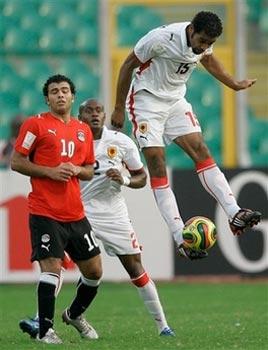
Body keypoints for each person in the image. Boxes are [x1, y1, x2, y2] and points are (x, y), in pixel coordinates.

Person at [19, 98, 175, 338]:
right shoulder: (69, 138)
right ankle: (41, 320)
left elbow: (141, 177)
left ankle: (163, 326)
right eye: (88, 111)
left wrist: (124, 179)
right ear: (80, 115)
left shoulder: (121, 142)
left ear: (104, 115)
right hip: (78, 209)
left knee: (131, 267)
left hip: (113, 212)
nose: (94, 114)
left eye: (98, 110)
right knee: (55, 264)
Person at [111, 11, 261, 258]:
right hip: (146, 102)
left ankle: (234, 213)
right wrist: (118, 107)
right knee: (157, 164)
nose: (204, 47)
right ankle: (180, 235)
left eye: (210, 43)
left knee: (201, 150)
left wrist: (233, 83)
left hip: (175, 101)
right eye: (202, 41)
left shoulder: (202, 45)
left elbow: (209, 60)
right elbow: (128, 65)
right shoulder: (160, 39)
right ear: (191, 30)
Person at [11, 75, 102, 344]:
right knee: (51, 269)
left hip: (75, 213)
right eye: (54, 92)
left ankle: (74, 314)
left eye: (64, 91)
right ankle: (45, 331)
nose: (60, 95)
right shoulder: (35, 124)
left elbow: (88, 170)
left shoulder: (83, 130)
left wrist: (76, 169)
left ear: (73, 97)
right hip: (45, 211)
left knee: (94, 272)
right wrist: (50, 172)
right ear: (47, 98)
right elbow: (17, 161)